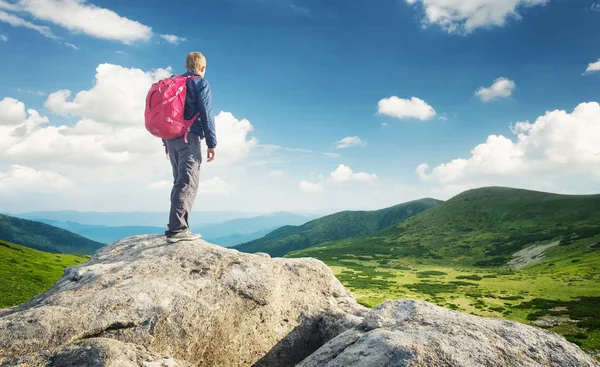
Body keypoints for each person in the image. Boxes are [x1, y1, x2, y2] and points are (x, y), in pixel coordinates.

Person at [163, 51, 217, 243]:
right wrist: (212, 143)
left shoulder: (173, 83)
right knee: (187, 183)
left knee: (179, 181)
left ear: (187, 66)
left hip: (171, 138)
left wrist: (166, 142)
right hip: (189, 138)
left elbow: (165, 114)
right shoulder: (199, 83)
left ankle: (176, 227)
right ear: (202, 68)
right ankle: (178, 230)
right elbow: (207, 114)